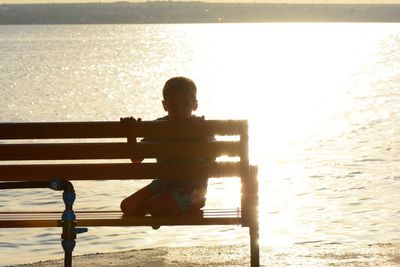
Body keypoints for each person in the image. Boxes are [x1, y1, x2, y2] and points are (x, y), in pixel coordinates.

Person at [120, 76, 213, 217]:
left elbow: (212, 159)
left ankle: (185, 205)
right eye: (174, 105)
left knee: (152, 205)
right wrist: (131, 133)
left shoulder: (200, 128)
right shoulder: (158, 127)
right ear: (165, 105)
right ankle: (165, 209)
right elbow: (136, 159)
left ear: (195, 105)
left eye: (185, 105)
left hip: (192, 189)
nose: (179, 110)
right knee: (127, 206)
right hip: (164, 183)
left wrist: (202, 136)